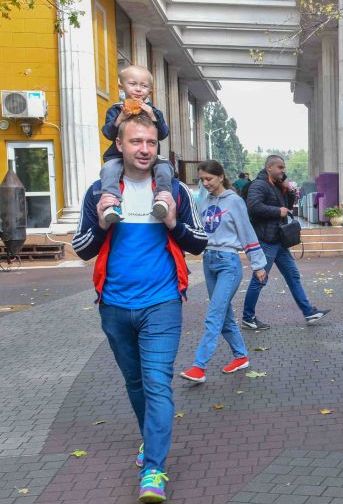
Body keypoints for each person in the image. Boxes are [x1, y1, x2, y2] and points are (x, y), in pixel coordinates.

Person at [71, 114, 207, 503]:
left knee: (157, 384)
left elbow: (198, 243)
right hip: (114, 306)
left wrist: (174, 225)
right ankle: (149, 441)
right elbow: (82, 249)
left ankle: (154, 469)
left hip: (162, 304)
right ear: (120, 145)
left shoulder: (174, 190)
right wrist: (100, 223)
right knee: (135, 384)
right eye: (136, 142)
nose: (145, 149)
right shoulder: (100, 190)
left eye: (150, 142)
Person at [180, 161, 268, 383]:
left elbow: (247, 232)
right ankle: (241, 357)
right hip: (209, 260)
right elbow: (197, 229)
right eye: (202, 180)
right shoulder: (204, 201)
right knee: (225, 314)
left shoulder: (234, 201)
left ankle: (199, 366)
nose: (205, 183)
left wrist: (258, 264)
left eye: (209, 178)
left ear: (220, 177)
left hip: (229, 263)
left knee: (214, 314)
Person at [240, 155, 329, 329]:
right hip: (266, 240)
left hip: (278, 241)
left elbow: (287, 207)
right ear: (269, 168)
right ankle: (247, 317)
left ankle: (309, 312)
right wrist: (276, 211)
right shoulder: (259, 185)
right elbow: (253, 207)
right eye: (280, 167)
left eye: (284, 168)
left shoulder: (277, 186)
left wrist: (288, 192)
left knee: (293, 275)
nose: (283, 171)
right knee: (260, 279)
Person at [98, 64, 175, 224]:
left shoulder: (154, 111)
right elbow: (108, 133)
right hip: (118, 156)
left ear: (150, 91)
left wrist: (153, 116)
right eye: (133, 84)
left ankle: (162, 199)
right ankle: (112, 203)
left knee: (165, 167)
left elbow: (163, 133)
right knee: (108, 170)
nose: (138, 89)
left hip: (151, 158)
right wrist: (121, 117)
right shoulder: (116, 109)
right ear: (121, 85)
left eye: (144, 86)